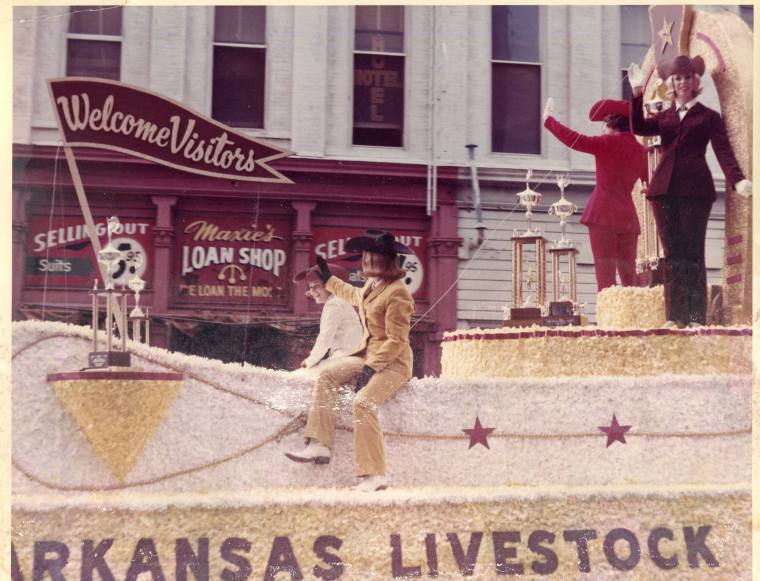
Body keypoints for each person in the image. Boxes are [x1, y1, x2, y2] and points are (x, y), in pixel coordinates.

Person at [627, 55, 752, 328]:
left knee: (693, 252)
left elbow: (723, 151)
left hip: (695, 191)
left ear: (695, 82)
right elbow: (638, 127)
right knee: (672, 254)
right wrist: (636, 95)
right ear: (671, 83)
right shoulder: (665, 116)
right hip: (663, 191)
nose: (682, 82)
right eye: (677, 78)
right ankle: (675, 317)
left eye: (686, 77)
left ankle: (696, 318)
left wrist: (737, 180)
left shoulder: (709, 116)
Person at [285, 229, 414, 492]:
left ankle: (374, 475)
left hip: (394, 362)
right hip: (368, 354)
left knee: (363, 403)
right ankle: (319, 444)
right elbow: (355, 296)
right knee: (328, 374)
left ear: (386, 261)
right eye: (366, 257)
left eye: (371, 258)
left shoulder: (398, 294)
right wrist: (329, 279)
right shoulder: (372, 285)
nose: (366, 262)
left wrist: (372, 367)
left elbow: (397, 340)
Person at [543, 97, 648, 290]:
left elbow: (574, 140)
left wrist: (549, 121)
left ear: (613, 123)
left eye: (605, 123)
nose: (603, 128)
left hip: (602, 216)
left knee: (605, 279)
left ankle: (609, 319)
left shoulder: (606, 143)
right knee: (629, 278)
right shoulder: (641, 152)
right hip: (627, 219)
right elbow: (649, 182)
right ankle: (630, 318)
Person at [293, 263, 362, 372]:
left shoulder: (334, 305)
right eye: (310, 287)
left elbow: (325, 338)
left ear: (330, 286)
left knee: (299, 376)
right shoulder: (339, 300)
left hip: (344, 358)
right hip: (349, 356)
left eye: (316, 286)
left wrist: (310, 361)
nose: (312, 292)